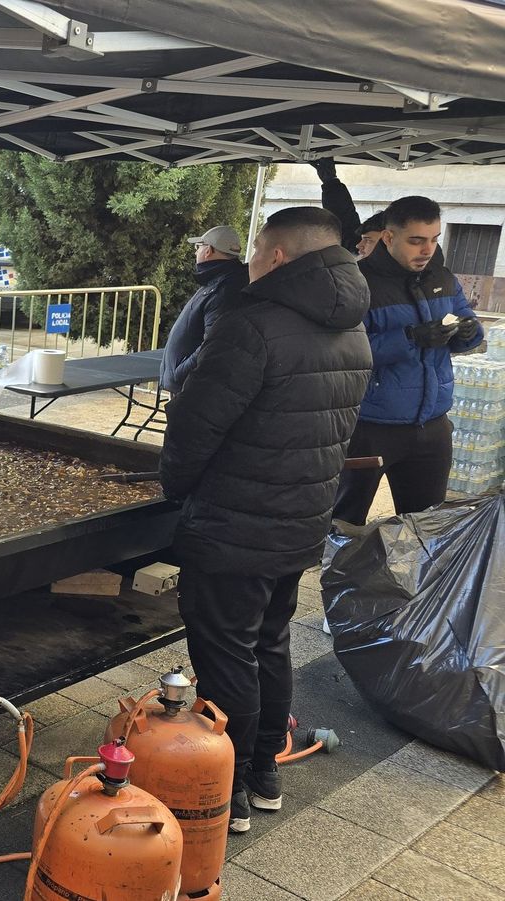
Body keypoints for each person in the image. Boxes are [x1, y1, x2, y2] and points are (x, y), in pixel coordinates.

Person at [159, 206, 372, 834]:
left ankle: (224, 791)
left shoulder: (250, 324)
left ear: (277, 255)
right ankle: (263, 772)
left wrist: (177, 489)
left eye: (255, 249)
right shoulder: (353, 328)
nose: (249, 260)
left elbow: (195, 424)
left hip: (235, 523)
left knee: (224, 651)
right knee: (269, 642)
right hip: (302, 517)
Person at [333, 195, 483, 525]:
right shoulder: (358, 283)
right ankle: (338, 575)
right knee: (343, 520)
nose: (426, 250)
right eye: (416, 241)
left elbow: (470, 327)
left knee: (426, 527)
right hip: (369, 427)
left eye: (433, 240)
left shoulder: (443, 279)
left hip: (433, 425)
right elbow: (344, 353)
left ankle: (413, 579)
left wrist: (468, 332)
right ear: (389, 237)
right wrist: (410, 339)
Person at [159, 225, 249, 394]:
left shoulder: (223, 288)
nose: (196, 252)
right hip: (191, 383)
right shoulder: (222, 280)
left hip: (192, 387)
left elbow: (212, 344)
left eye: (198, 247)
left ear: (208, 250)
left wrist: (180, 373)